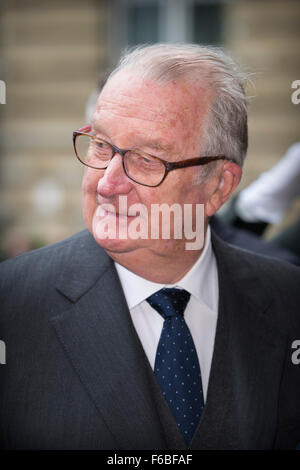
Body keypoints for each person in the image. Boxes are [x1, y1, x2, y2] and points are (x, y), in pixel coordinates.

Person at [0, 43, 299, 450]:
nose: (107, 183)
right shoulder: (11, 304)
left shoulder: (287, 301)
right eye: (101, 145)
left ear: (218, 186)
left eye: (146, 159)